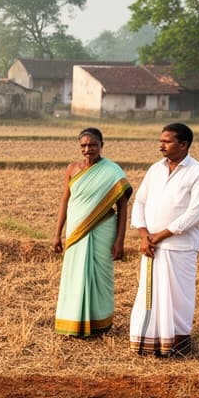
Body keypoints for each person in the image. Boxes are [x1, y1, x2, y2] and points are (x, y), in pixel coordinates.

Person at [128, 123, 199, 358]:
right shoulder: (155, 169)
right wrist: (144, 234)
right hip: (151, 247)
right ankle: (149, 342)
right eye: (161, 140)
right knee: (150, 294)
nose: (161, 145)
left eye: (167, 141)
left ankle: (176, 345)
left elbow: (196, 213)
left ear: (183, 144)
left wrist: (160, 235)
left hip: (179, 248)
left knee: (178, 298)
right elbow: (140, 202)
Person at [52, 127, 132, 337]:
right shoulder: (72, 169)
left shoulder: (113, 171)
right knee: (75, 274)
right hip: (76, 231)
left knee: (100, 276)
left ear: (101, 146)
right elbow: (65, 201)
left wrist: (120, 240)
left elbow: (123, 206)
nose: (88, 149)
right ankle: (72, 322)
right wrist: (57, 233)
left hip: (104, 229)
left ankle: (99, 323)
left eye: (93, 145)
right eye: (84, 145)